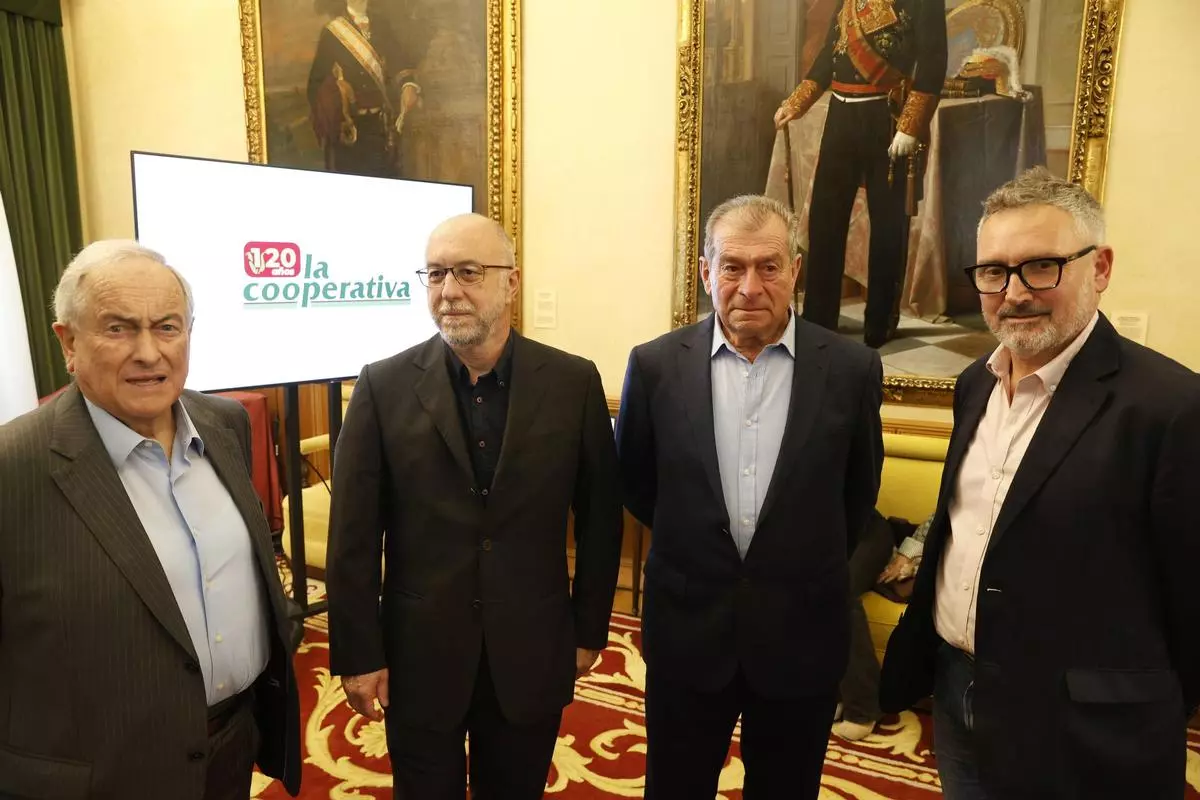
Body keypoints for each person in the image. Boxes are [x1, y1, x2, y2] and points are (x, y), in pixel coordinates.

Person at [879, 167, 1200, 799]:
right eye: (993, 272)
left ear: (1100, 268)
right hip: (958, 694)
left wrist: (1145, 707)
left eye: (1041, 267)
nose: (1015, 292)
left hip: (1086, 731)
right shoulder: (975, 385)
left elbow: (1191, 597)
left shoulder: (1171, 407)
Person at [325, 213, 623, 800]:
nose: (449, 291)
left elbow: (600, 519)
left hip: (532, 648)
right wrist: (358, 653)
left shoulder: (573, 383)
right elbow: (352, 535)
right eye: (435, 274)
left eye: (468, 272)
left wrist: (589, 629)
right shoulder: (382, 387)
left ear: (511, 282)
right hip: (419, 655)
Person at [0, 241, 301, 799]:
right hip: (100, 776)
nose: (149, 352)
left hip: (230, 747)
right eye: (118, 329)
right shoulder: (11, 467)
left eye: (167, 327)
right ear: (68, 343)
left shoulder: (225, 423)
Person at [616, 194, 884, 798]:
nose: (750, 287)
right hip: (688, 631)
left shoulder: (851, 369)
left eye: (769, 267)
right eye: (732, 267)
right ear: (706, 272)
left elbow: (855, 495)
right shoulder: (655, 366)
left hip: (800, 635)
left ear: (795, 269)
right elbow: (636, 483)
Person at [774, 0, 947, 348]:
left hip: (887, 116)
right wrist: (797, 102)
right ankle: (819, 318)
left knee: (887, 224)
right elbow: (829, 56)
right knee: (825, 219)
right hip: (840, 117)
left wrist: (910, 125)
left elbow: (933, 61)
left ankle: (880, 321)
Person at [307, 0, 422, 177]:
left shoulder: (382, 25)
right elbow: (315, 84)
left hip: (382, 126)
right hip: (350, 128)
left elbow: (398, 60)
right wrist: (338, 89)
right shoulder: (332, 32)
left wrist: (408, 85)